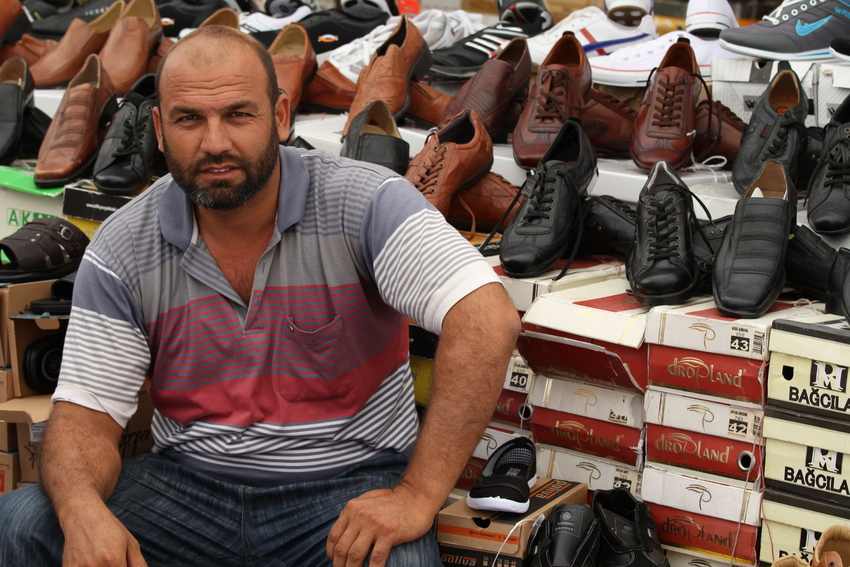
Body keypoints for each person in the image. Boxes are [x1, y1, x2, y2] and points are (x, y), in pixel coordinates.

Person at [0, 26, 520, 567]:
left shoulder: (365, 203)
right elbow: (85, 416)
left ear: (280, 116)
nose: (215, 142)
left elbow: (486, 320)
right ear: (158, 129)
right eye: (189, 119)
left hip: (342, 488)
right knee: (20, 525)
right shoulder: (125, 244)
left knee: (397, 561)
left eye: (238, 115)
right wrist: (83, 511)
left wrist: (417, 496)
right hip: (186, 491)